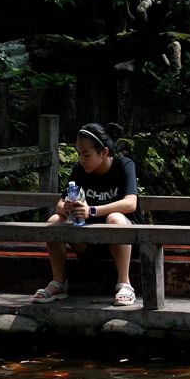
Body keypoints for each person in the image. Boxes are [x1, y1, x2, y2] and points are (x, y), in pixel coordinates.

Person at [32, 122, 142, 306]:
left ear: (104, 152)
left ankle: (124, 284)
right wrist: (67, 207)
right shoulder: (80, 170)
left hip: (126, 241)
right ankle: (59, 283)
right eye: (79, 154)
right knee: (54, 220)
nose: (81, 159)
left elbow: (130, 203)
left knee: (114, 218)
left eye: (86, 154)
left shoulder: (124, 165)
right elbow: (59, 203)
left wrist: (91, 210)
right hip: (89, 242)